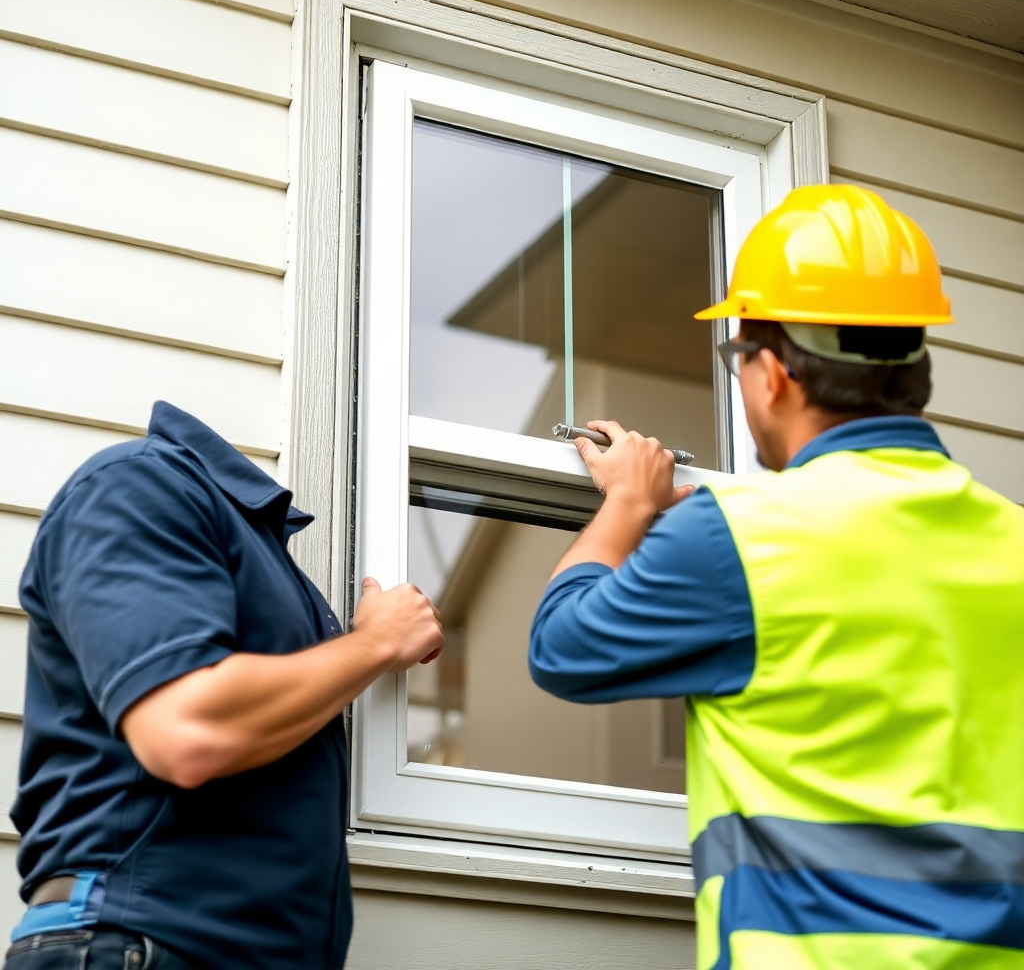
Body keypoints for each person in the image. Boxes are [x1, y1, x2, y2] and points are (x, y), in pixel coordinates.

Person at [528, 185, 1024, 969]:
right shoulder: (1014, 543)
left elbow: (562, 646)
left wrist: (627, 501)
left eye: (737, 356)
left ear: (773, 374)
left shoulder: (739, 535)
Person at [7, 402, 443, 969]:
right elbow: (187, 727)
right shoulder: (141, 484)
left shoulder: (267, 563)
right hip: (143, 939)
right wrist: (378, 642)